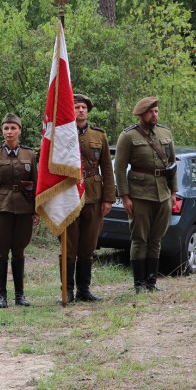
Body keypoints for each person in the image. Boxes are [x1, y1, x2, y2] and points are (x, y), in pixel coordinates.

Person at [113, 97, 177, 293]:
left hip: (163, 193)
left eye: (156, 111)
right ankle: (139, 283)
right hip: (140, 194)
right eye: (150, 112)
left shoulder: (165, 133)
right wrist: (124, 197)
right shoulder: (128, 136)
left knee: (156, 239)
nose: (154, 115)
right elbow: (120, 168)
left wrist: (173, 191)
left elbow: (172, 164)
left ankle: (151, 281)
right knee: (140, 239)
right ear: (141, 114)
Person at [61, 93, 116, 302]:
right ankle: (67, 291)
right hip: (69, 195)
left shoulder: (99, 135)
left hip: (93, 195)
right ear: (70, 110)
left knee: (88, 246)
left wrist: (108, 198)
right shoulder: (62, 135)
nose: (80, 110)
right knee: (69, 246)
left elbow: (107, 169)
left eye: (83, 107)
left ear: (88, 110)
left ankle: (84, 290)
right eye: (76, 107)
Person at [0, 114, 40, 308]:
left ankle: (20, 295)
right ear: (2, 131)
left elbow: (36, 183)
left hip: (24, 208)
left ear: (19, 131)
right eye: (6, 128)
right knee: (1, 252)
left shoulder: (29, 154)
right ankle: (2, 296)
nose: (9, 132)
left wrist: (36, 210)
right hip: (2, 209)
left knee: (19, 251)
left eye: (13, 128)